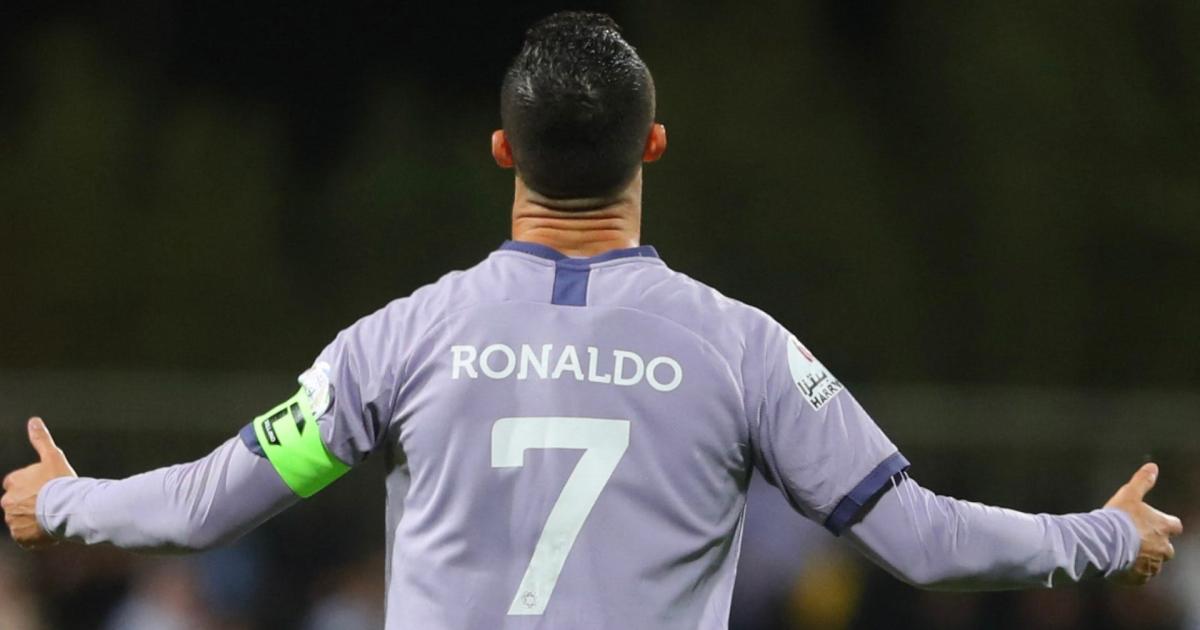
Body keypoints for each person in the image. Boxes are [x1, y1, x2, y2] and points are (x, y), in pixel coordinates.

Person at [0, 11, 1183, 630]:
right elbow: (923, 545)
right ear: (652, 145)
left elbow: (206, 509)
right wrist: (1100, 537)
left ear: (503, 151)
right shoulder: (743, 349)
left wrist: (60, 504)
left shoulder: (397, 343)